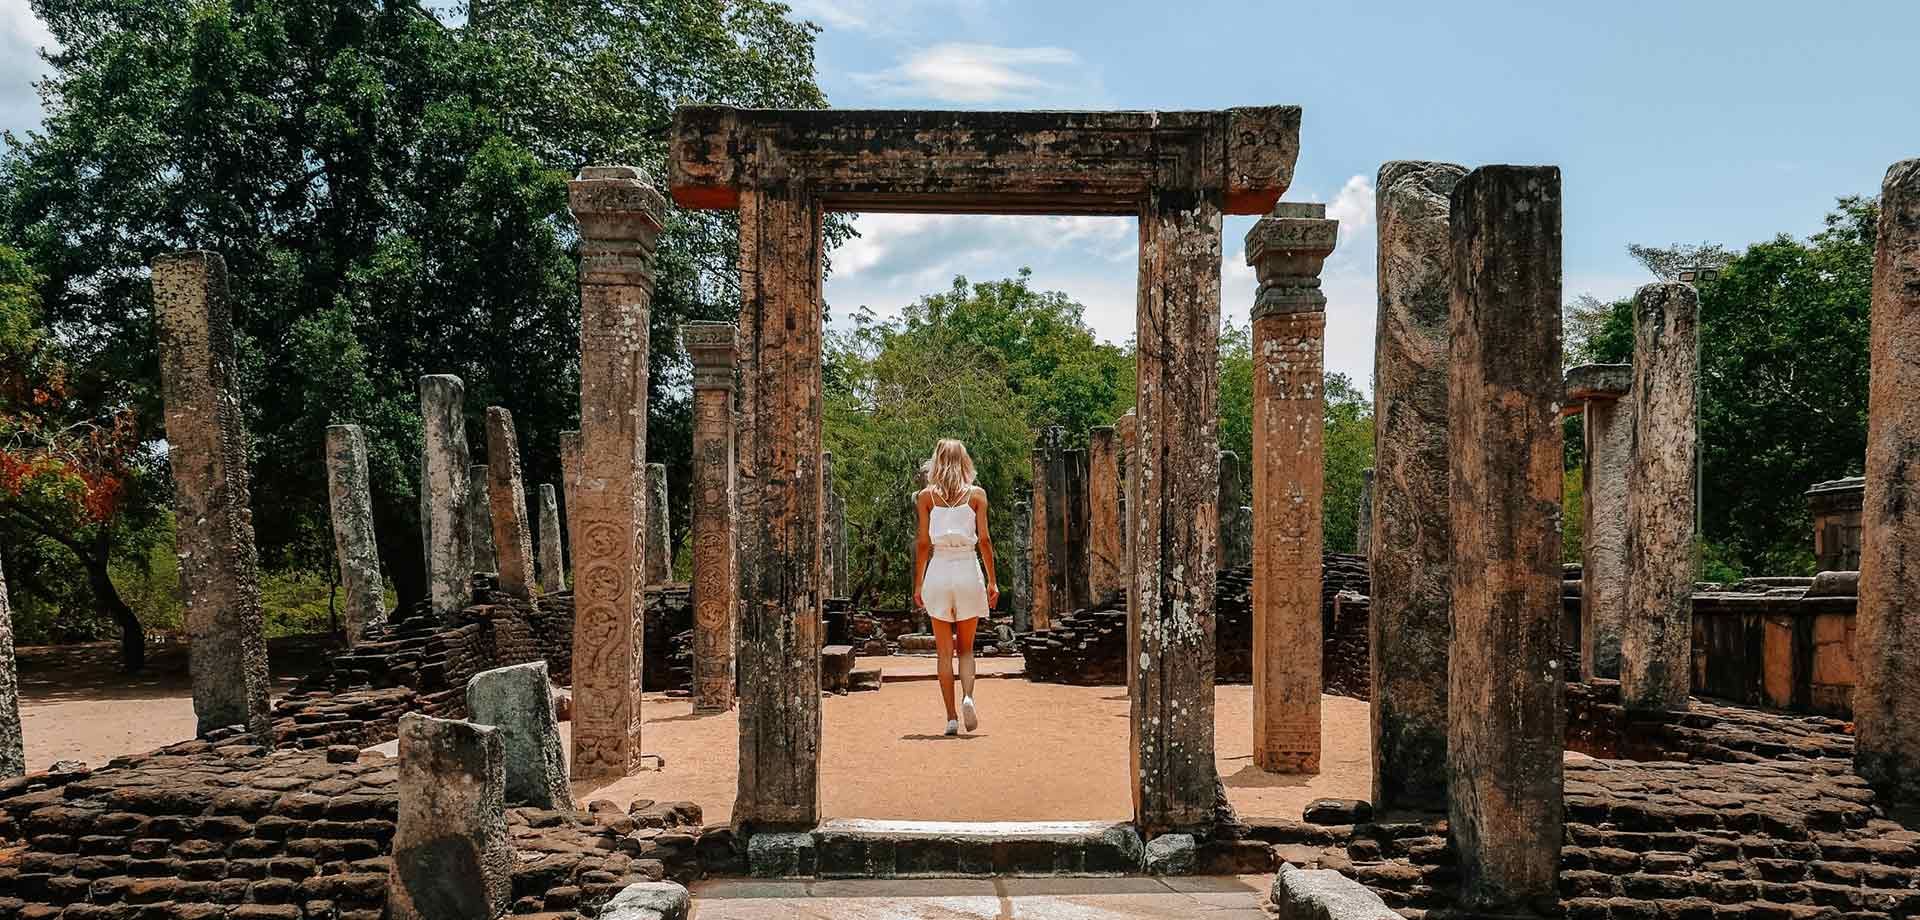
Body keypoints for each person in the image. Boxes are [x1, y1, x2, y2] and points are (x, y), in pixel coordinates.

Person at [912, 438, 999, 736]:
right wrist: (992, 580)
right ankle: (968, 697)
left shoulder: (926, 498)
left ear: (936, 461)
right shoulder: (977, 495)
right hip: (966, 568)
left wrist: (918, 583)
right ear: (965, 461)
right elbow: (985, 541)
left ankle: (950, 717)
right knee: (966, 649)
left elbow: (923, 543)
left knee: (943, 652)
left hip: (938, 570)